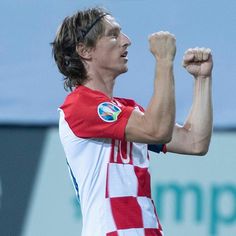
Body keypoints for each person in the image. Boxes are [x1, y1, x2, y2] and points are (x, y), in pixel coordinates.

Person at [51, 7, 213, 236]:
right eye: (114, 34)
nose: (127, 41)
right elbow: (157, 130)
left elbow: (195, 142)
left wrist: (202, 80)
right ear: (85, 50)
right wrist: (164, 61)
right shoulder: (79, 106)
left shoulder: (126, 110)